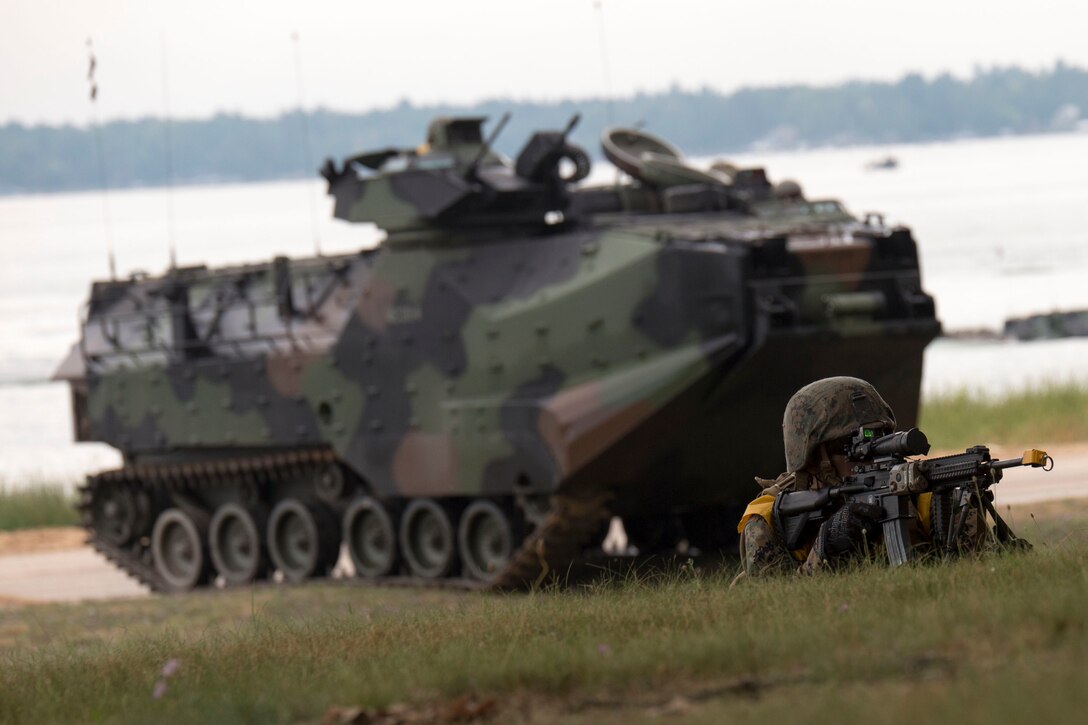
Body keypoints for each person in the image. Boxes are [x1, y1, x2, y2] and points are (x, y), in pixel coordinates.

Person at [737, 376, 985, 576]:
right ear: (813, 459)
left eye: (882, 439)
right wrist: (825, 550)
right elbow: (773, 603)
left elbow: (973, 576)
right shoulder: (768, 520)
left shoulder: (924, 498)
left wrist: (958, 513)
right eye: (851, 447)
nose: (871, 456)